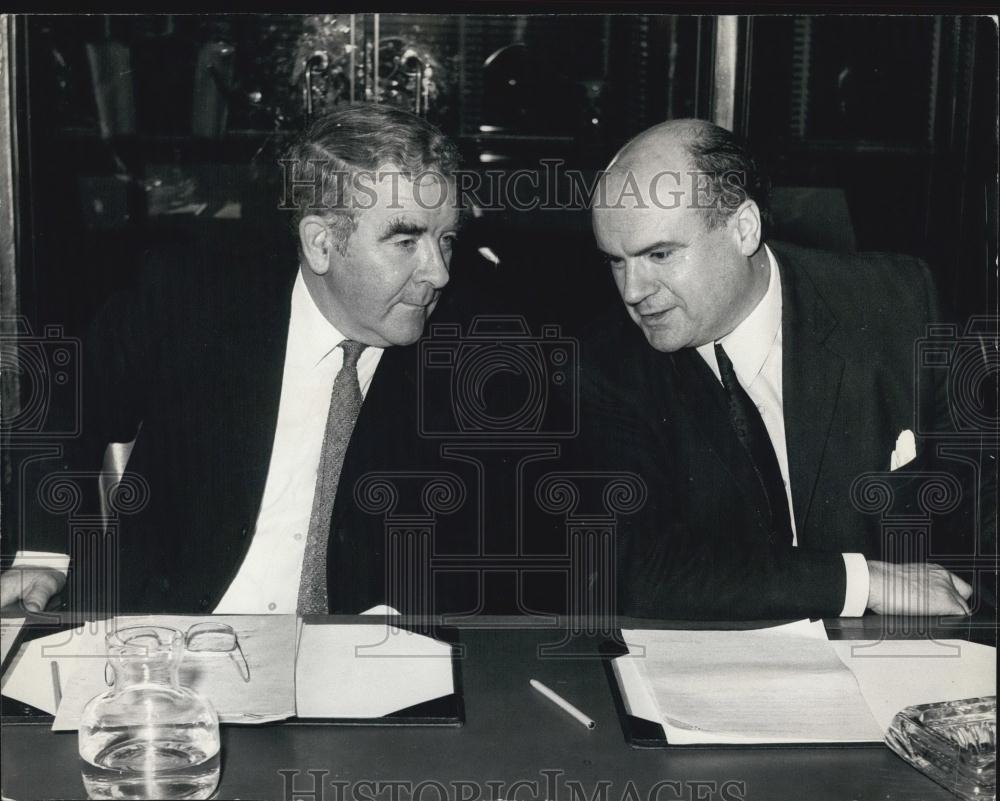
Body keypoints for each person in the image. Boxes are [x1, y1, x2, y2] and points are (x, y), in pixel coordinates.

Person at [0, 103, 469, 616]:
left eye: (446, 239)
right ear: (321, 243)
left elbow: (497, 546)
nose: (439, 272)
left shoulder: (469, 362)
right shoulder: (189, 303)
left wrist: (409, 620)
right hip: (162, 644)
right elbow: (59, 408)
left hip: (354, 665)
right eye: (406, 240)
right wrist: (42, 553)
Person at [583, 118, 980, 620]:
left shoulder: (896, 303)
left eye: (659, 254)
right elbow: (627, 568)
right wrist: (861, 581)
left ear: (743, 228)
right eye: (615, 262)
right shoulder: (608, 363)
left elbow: (983, 493)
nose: (633, 291)